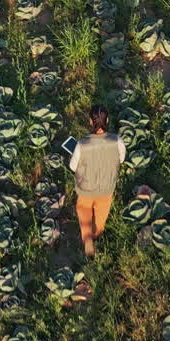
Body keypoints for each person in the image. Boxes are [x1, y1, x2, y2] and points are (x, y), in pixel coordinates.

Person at [69, 106, 126, 257]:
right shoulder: (117, 141)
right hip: (107, 189)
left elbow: (73, 167)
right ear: (107, 120)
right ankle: (97, 234)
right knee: (101, 216)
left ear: (90, 122)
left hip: (86, 189)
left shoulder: (82, 144)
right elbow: (121, 159)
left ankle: (87, 239)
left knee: (84, 212)